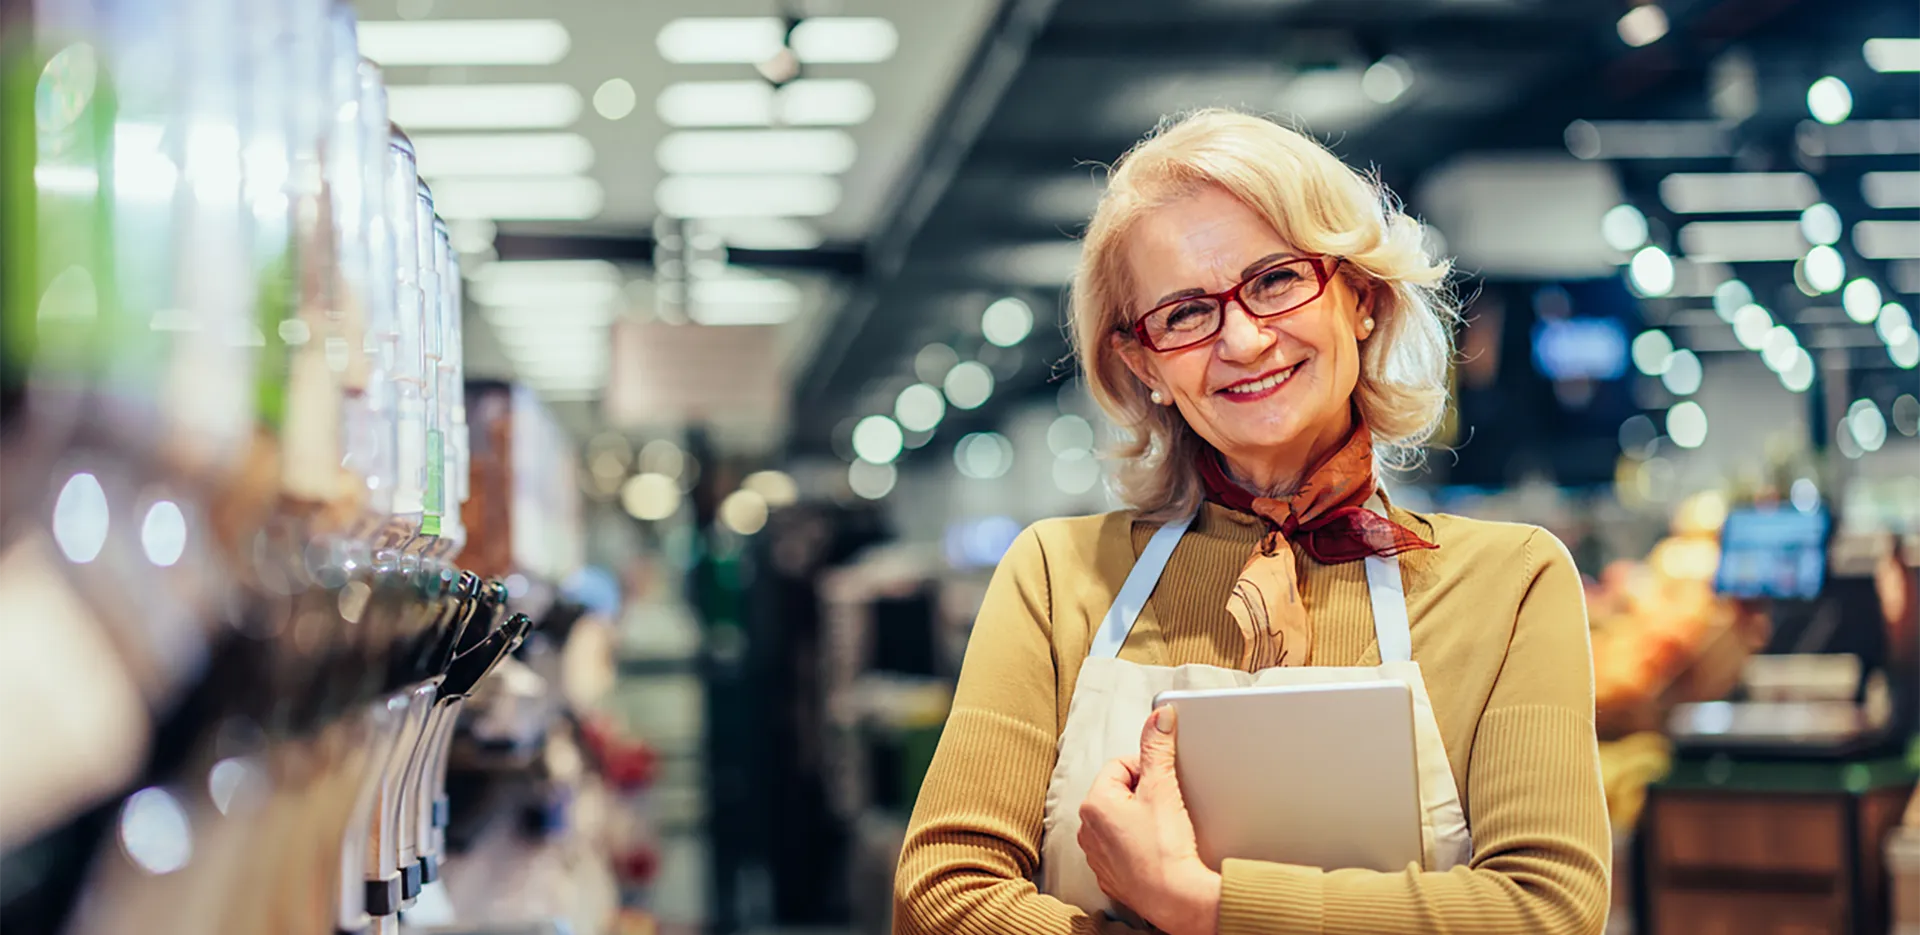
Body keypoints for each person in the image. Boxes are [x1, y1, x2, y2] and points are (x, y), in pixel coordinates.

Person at [892, 109, 1610, 935]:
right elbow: (942, 894)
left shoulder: (1513, 583)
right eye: (1185, 314)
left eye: (1275, 280)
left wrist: (1199, 908)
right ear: (1145, 364)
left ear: (1361, 298)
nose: (1241, 337)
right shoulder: (1059, 578)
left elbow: (1543, 912)